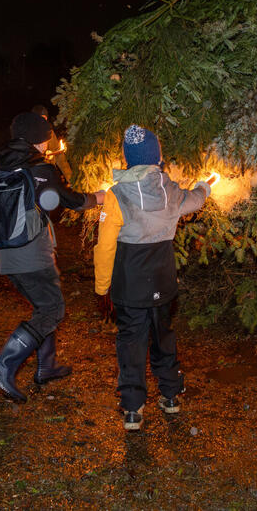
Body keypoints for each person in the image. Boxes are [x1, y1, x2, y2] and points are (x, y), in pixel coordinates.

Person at [93, 125, 213, 431]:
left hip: (130, 285)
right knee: (163, 336)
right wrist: (204, 187)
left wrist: (102, 287)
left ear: (127, 159)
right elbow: (195, 200)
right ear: (157, 156)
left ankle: (133, 409)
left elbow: (105, 246)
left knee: (131, 342)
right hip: (163, 280)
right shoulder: (169, 190)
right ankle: (170, 396)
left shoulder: (116, 195)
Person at [0, 112, 103, 403]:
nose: (49, 143)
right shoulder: (40, 168)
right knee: (52, 309)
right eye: (47, 137)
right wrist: (98, 197)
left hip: (4, 253)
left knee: (43, 307)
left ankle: (46, 366)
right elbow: (71, 199)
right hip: (31, 253)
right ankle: (3, 365)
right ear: (39, 139)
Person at [31, 104, 72, 182]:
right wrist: (42, 156)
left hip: (50, 175)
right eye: (40, 119)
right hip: (35, 177)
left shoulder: (50, 133)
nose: (42, 122)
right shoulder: (28, 134)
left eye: (44, 119)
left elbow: (60, 158)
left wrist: (70, 179)